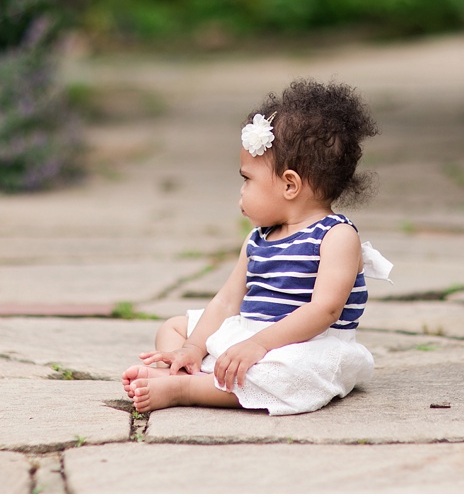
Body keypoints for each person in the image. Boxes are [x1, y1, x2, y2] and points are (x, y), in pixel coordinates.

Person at [122, 79, 393, 416]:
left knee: (285, 374)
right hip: (252, 334)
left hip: (304, 344)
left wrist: (259, 344)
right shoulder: (259, 238)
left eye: (247, 179)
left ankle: (185, 387)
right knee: (174, 327)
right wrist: (191, 347)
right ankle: (183, 369)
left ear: (290, 185)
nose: (241, 191)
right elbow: (226, 301)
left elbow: (324, 311)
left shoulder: (336, 236)